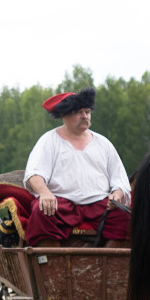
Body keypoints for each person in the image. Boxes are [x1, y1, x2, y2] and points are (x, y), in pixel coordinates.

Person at [23, 88, 132, 247]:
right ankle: (52, 269)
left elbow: (120, 179)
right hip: (60, 205)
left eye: (87, 112)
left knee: (126, 218)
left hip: (99, 205)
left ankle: (109, 267)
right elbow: (35, 174)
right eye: (78, 112)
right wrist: (45, 193)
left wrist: (116, 195)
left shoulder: (103, 144)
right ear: (63, 115)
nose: (84, 116)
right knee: (42, 213)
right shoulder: (49, 141)